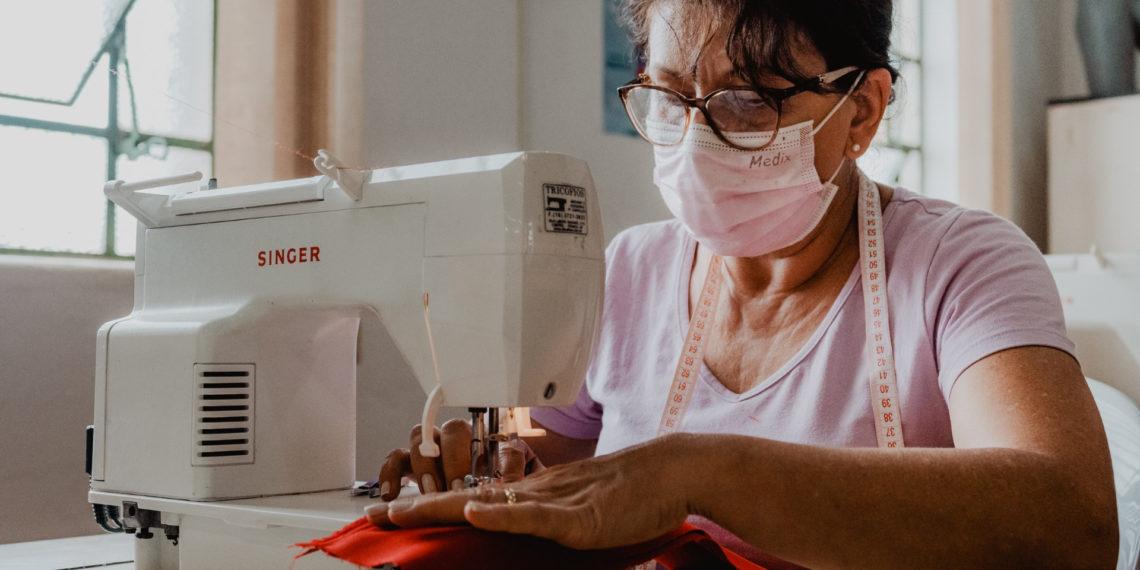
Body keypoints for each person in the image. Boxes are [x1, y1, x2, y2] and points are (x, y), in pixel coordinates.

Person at [367, 1, 1118, 567]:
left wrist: (698, 472)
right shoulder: (628, 273)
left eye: (751, 99)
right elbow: (563, 463)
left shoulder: (961, 264)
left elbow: (1071, 520)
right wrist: (498, 475)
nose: (697, 140)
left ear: (862, 111)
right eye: (670, 97)